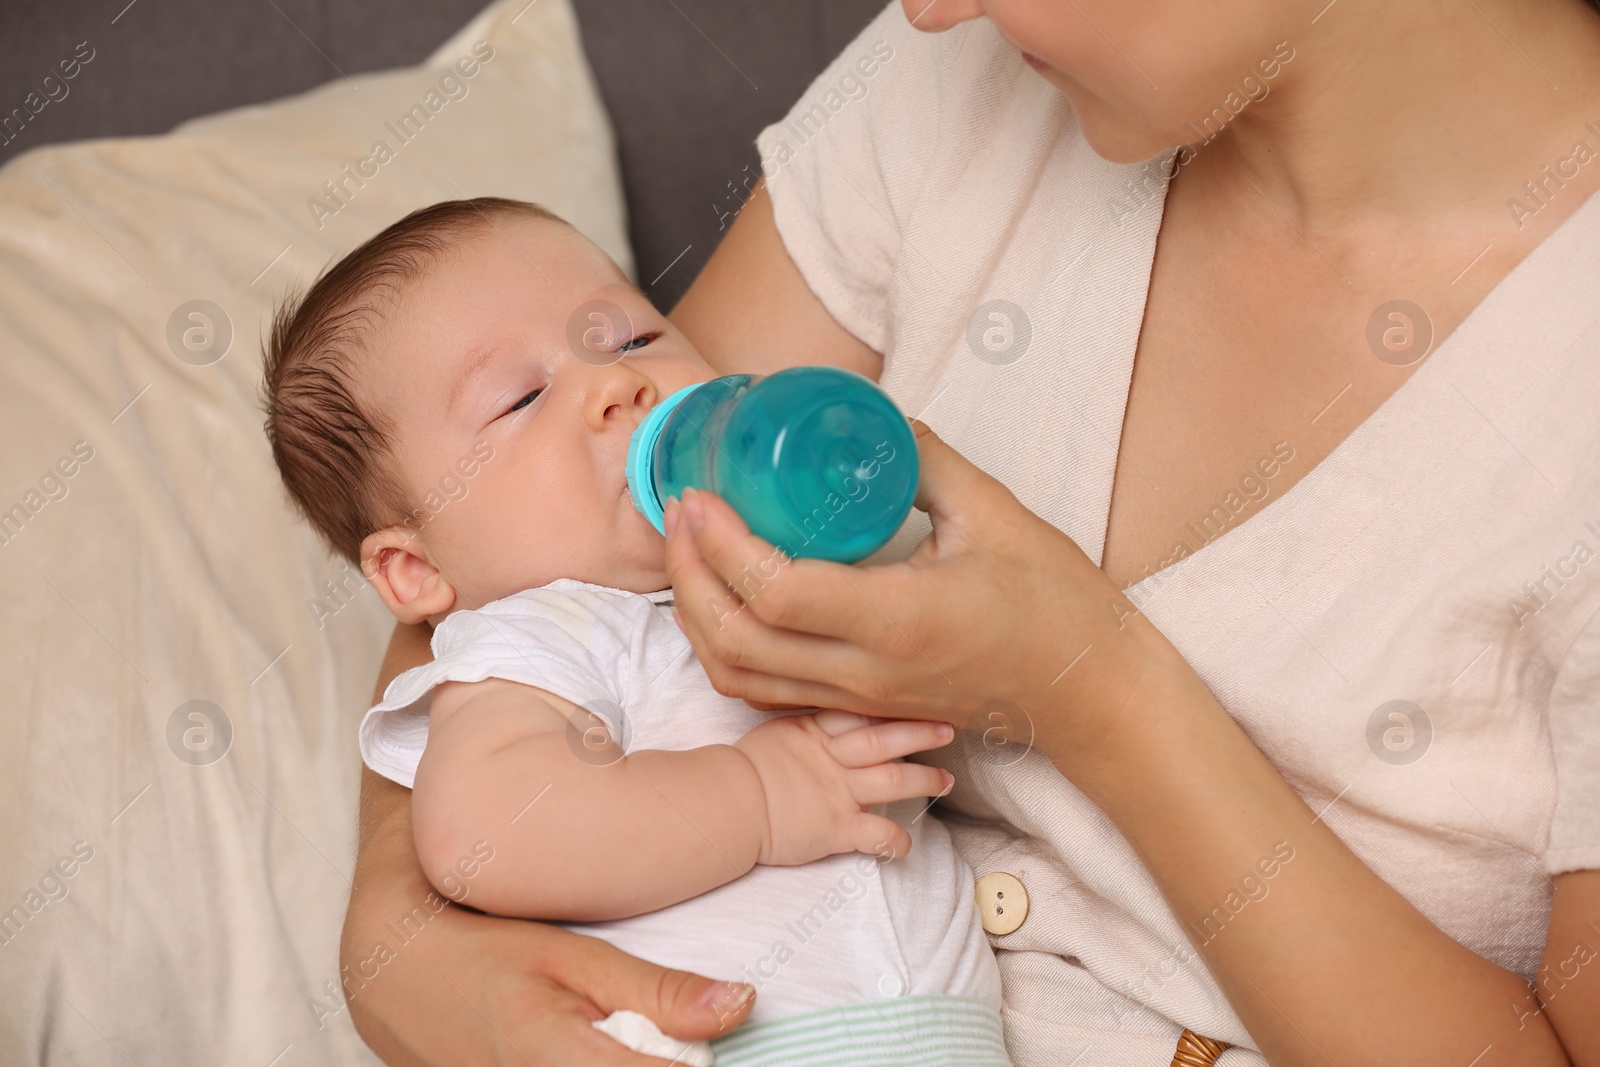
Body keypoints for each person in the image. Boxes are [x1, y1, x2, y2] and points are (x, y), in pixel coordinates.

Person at [340, 0, 1600, 1064]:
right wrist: (399, 944)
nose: (930, 5)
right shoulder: (955, 74)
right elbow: (524, 563)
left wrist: (1091, 687)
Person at [261, 197, 1010, 1065]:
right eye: (523, 397)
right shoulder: (540, 636)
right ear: (418, 570)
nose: (618, 385)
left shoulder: (781, 557)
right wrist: (756, 800)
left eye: (633, 339)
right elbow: (486, 831)